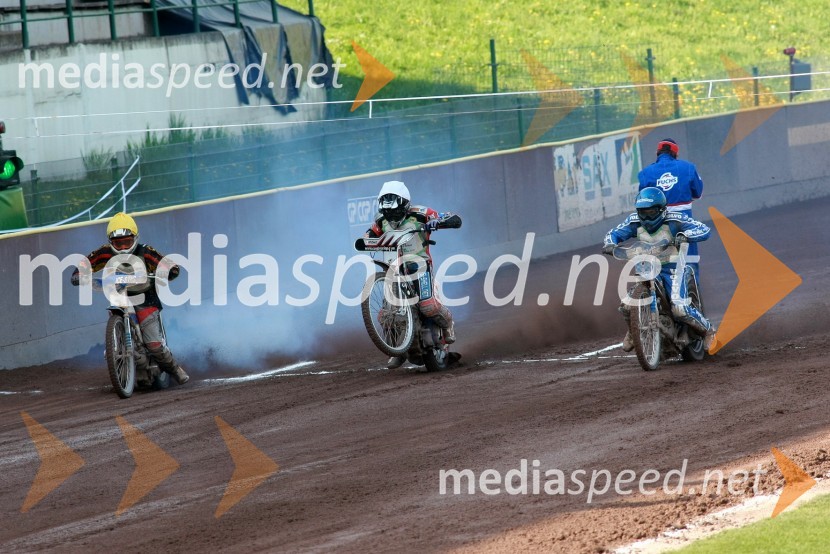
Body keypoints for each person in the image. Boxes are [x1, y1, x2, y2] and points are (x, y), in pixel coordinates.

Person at [71, 212, 189, 385]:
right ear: (111, 242)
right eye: (118, 243)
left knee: (154, 345)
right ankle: (117, 349)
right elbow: (86, 263)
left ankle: (175, 369)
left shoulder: (145, 251)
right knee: (113, 327)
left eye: (127, 241)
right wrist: (78, 274)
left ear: (135, 238)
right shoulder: (104, 253)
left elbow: (170, 265)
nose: (123, 247)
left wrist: (169, 271)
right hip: (118, 297)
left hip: (145, 299)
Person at [602, 187, 717, 353]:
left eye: (651, 212)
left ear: (662, 209)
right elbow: (613, 233)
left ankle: (708, 330)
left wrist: (685, 235)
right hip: (646, 268)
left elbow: (703, 229)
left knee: (680, 309)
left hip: (673, 268)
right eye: (643, 212)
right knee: (627, 305)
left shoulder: (675, 219)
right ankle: (634, 331)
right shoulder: (634, 221)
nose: (647, 217)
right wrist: (610, 244)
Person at [365, 180, 462, 369]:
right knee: (386, 315)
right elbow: (369, 234)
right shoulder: (380, 220)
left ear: (404, 202)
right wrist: (368, 240)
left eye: (392, 203)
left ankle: (448, 324)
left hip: (419, 267)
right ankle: (398, 348)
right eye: (385, 203)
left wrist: (438, 222)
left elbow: (454, 218)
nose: (390, 212)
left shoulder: (421, 213)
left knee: (428, 307)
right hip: (393, 271)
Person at [638, 138, 704, 275]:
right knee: (690, 260)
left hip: (658, 224)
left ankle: (659, 290)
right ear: (675, 154)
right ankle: (692, 292)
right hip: (683, 223)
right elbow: (698, 194)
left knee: (659, 262)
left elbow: (642, 200)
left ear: (657, 153)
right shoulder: (689, 167)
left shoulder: (646, 173)